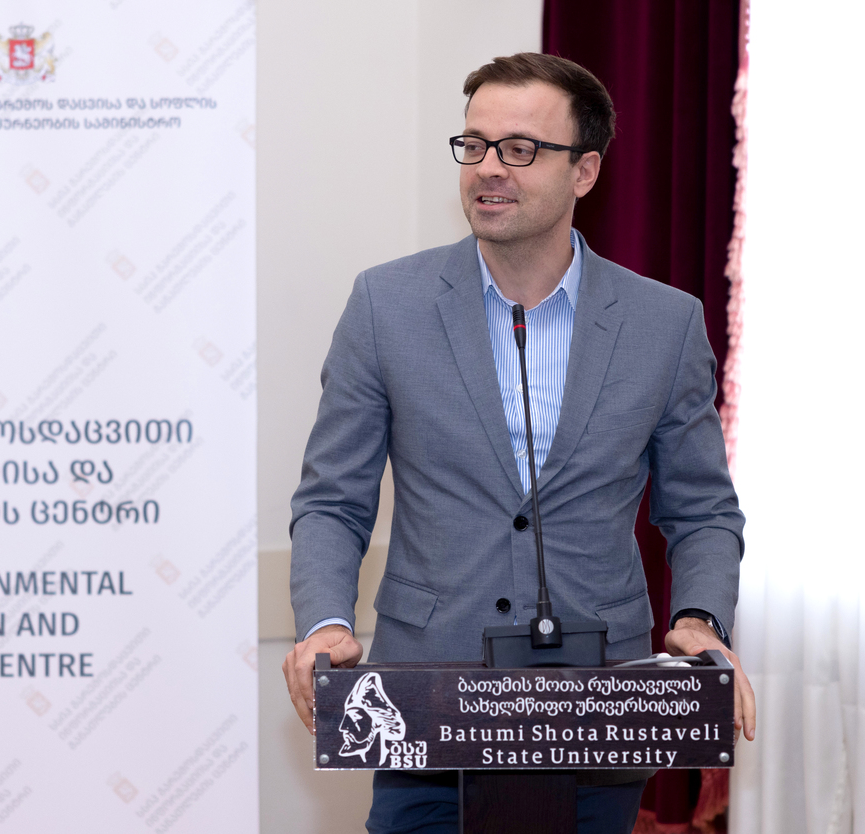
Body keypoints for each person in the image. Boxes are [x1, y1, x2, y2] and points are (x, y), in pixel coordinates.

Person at [282, 52, 756, 834]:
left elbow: (702, 509)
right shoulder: (384, 306)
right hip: (424, 705)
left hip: (599, 715)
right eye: (474, 145)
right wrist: (324, 621)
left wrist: (701, 616)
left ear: (585, 171)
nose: (488, 168)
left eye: (520, 148)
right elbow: (333, 500)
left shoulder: (664, 324)